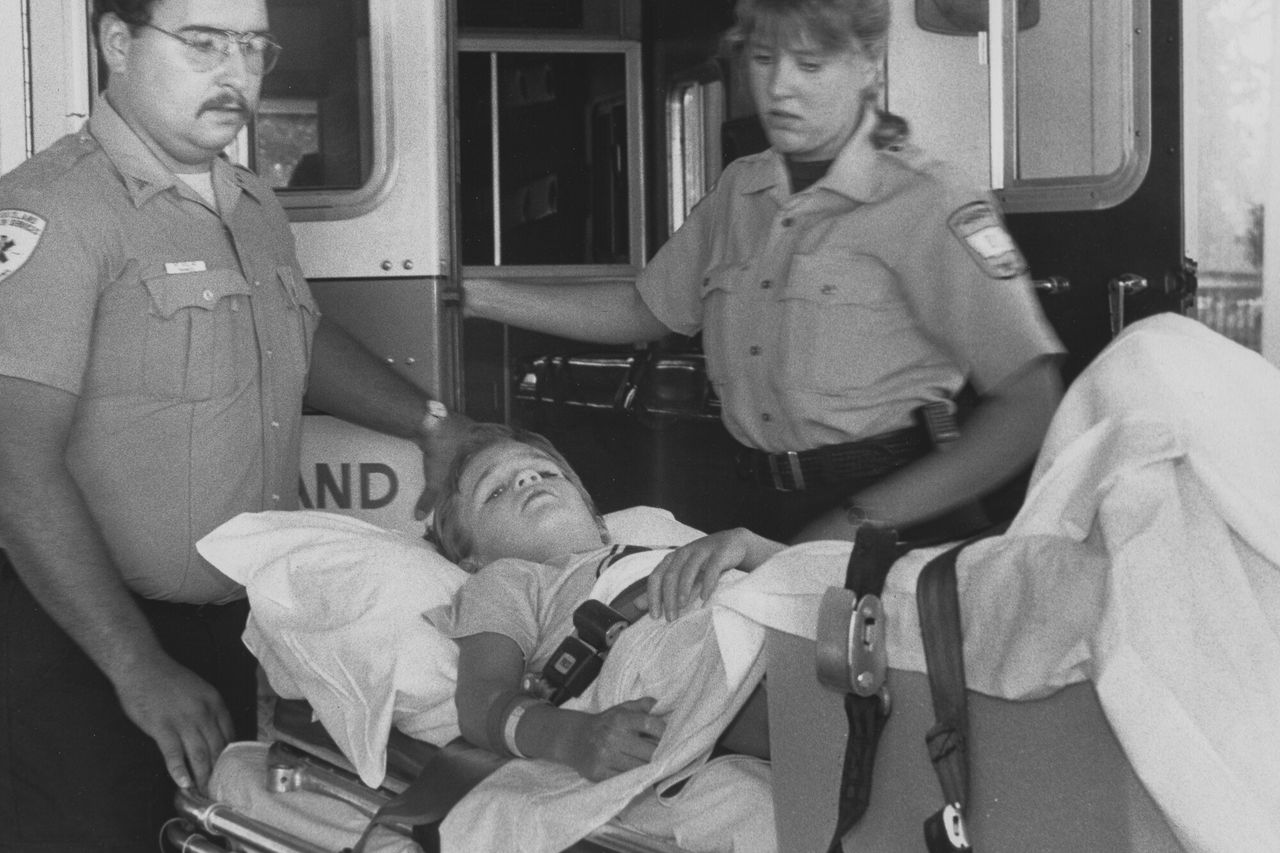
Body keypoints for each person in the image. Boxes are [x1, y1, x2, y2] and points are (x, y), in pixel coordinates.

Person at [0, 1, 467, 850]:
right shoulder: (53, 211)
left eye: (253, 47)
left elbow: (299, 336)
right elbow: (12, 464)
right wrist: (136, 664)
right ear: (116, 43)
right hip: (85, 643)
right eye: (203, 43)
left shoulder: (249, 203)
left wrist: (432, 422)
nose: (235, 72)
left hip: (225, 634)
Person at [464, 0, 1064, 545]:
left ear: (867, 64)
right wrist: (471, 294)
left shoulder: (928, 202)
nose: (780, 87)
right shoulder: (741, 189)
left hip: (896, 514)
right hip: (764, 504)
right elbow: (645, 310)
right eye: (763, 58)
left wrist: (854, 521)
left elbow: (1029, 404)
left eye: (809, 63)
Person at [433, 421, 778, 850]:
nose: (526, 479)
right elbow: (480, 700)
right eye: (496, 491)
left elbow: (820, 575)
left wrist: (747, 546)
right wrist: (574, 737)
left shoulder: (656, 551)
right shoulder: (509, 579)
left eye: (545, 473)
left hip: (748, 620)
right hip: (662, 654)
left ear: (597, 521)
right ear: (472, 559)